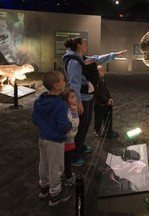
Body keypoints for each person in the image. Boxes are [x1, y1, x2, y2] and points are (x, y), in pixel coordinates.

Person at [62, 36, 127, 167]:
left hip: (88, 97)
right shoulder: (74, 62)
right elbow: (74, 84)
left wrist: (115, 55)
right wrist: (78, 103)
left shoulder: (82, 58)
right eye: (85, 44)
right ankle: (74, 156)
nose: (87, 47)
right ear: (79, 46)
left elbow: (98, 58)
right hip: (82, 99)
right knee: (79, 127)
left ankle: (79, 146)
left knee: (85, 125)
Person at [32, 71, 72, 206]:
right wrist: (70, 124)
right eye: (62, 80)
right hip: (55, 141)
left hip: (42, 138)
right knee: (56, 167)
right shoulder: (60, 105)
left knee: (43, 163)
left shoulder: (39, 101)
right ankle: (55, 194)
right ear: (56, 86)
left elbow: (35, 120)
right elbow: (63, 126)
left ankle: (44, 187)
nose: (65, 82)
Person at [94, 65, 118, 138]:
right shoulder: (95, 81)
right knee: (98, 119)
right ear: (97, 72)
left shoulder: (102, 80)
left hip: (106, 103)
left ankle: (106, 130)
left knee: (106, 117)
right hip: (99, 104)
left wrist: (109, 98)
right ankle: (97, 130)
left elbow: (106, 91)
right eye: (101, 70)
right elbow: (98, 93)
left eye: (103, 70)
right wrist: (106, 100)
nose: (103, 72)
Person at [61, 89, 79, 186]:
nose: (75, 98)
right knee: (67, 159)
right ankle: (68, 178)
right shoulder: (69, 111)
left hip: (67, 139)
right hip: (67, 140)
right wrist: (75, 112)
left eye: (75, 96)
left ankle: (64, 174)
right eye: (72, 97)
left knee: (64, 159)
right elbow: (74, 124)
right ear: (65, 100)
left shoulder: (66, 108)